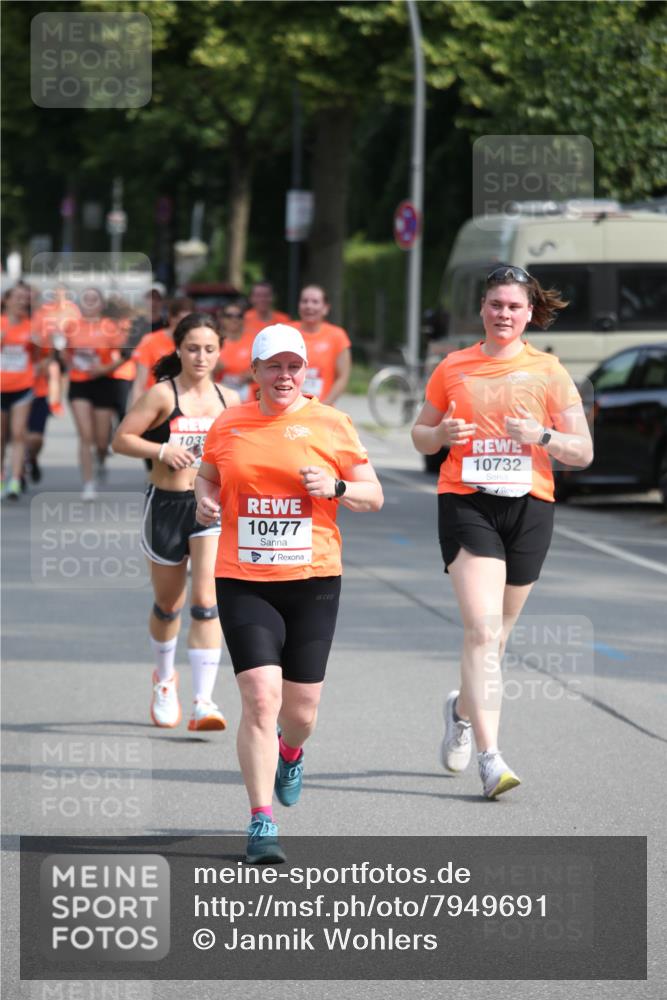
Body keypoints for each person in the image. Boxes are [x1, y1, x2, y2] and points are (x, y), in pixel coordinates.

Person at [195, 323, 383, 863]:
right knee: (259, 699)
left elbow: (374, 495)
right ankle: (260, 822)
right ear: (253, 372)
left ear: (306, 371)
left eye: (293, 366)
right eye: (272, 366)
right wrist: (203, 503)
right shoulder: (229, 424)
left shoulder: (331, 423)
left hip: (313, 580)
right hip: (242, 578)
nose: (284, 376)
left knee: (301, 710)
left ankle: (291, 751)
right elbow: (207, 479)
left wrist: (338, 488)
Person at [411, 265, 593, 799]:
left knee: (497, 638)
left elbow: (582, 453)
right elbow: (420, 435)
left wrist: (542, 434)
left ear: (530, 312)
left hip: (530, 507)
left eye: (514, 307)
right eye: (495, 305)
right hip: (467, 501)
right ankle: (491, 759)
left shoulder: (549, 371)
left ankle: (461, 711)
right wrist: (440, 432)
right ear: (483, 310)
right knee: (483, 632)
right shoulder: (454, 366)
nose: (504, 315)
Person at [113, 313, 240, 732]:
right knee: (170, 606)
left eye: (209, 349)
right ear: (179, 349)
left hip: (210, 508)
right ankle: (164, 679)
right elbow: (122, 439)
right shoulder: (162, 396)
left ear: (220, 351)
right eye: (192, 348)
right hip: (167, 505)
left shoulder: (231, 400)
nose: (200, 356)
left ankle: (204, 701)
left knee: (207, 603)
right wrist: (163, 450)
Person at [64, 287, 126, 499]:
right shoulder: (72, 327)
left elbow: (124, 355)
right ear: (81, 304)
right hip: (79, 383)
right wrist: (69, 360)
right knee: (86, 435)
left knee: (101, 440)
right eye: (86, 298)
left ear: (100, 304)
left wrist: (105, 368)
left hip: (104, 382)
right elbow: (65, 353)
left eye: (94, 299)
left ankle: (101, 458)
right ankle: (88, 484)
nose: (90, 302)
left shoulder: (109, 327)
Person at [0, 284, 38, 499]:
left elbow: (42, 356)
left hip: (22, 386)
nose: (22, 301)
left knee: (18, 433)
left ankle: (15, 479)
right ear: (6, 300)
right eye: (18, 297)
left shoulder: (32, 328)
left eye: (25, 298)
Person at [131, 297, 195, 405]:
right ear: (171, 318)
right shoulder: (151, 340)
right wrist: (135, 410)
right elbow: (140, 382)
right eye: (181, 319)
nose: (185, 325)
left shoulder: (196, 343)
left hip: (187, 402)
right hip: (156, 401)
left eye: (189, 321)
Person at [295, 284, 351, 404]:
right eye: (304, 301)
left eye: (315, 302)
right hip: (289, 409)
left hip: (322, 409)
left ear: (325, 308)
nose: (309, 306)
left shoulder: (337, 336)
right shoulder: (286, 332)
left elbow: (343, 377)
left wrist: (324, 405)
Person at [213, 302, 255, 401]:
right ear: (221, 319)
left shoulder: (252, 340)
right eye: (229, 316)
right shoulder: (214, 340)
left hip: (248, 393)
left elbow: (263, 368)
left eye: (238, 316)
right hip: (220, 391)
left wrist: (251, 375)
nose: (234, 319)